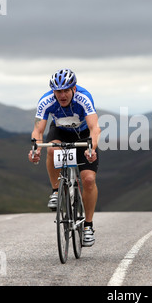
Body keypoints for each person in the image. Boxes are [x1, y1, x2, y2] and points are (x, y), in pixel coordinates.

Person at [28, 68, 101, 247]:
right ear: (53, 91)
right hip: (60, 130)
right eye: (58, 91)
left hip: (84, 135)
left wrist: (91, 148)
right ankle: (55, 191)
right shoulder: (46, 100)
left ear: (73, 89)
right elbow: (38, 130)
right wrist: (35, 148)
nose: (62, 95)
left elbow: (95, 128)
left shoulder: (84, 97)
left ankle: (88, 227)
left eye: (66, 90)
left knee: (89, 180)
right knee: (52, 150)